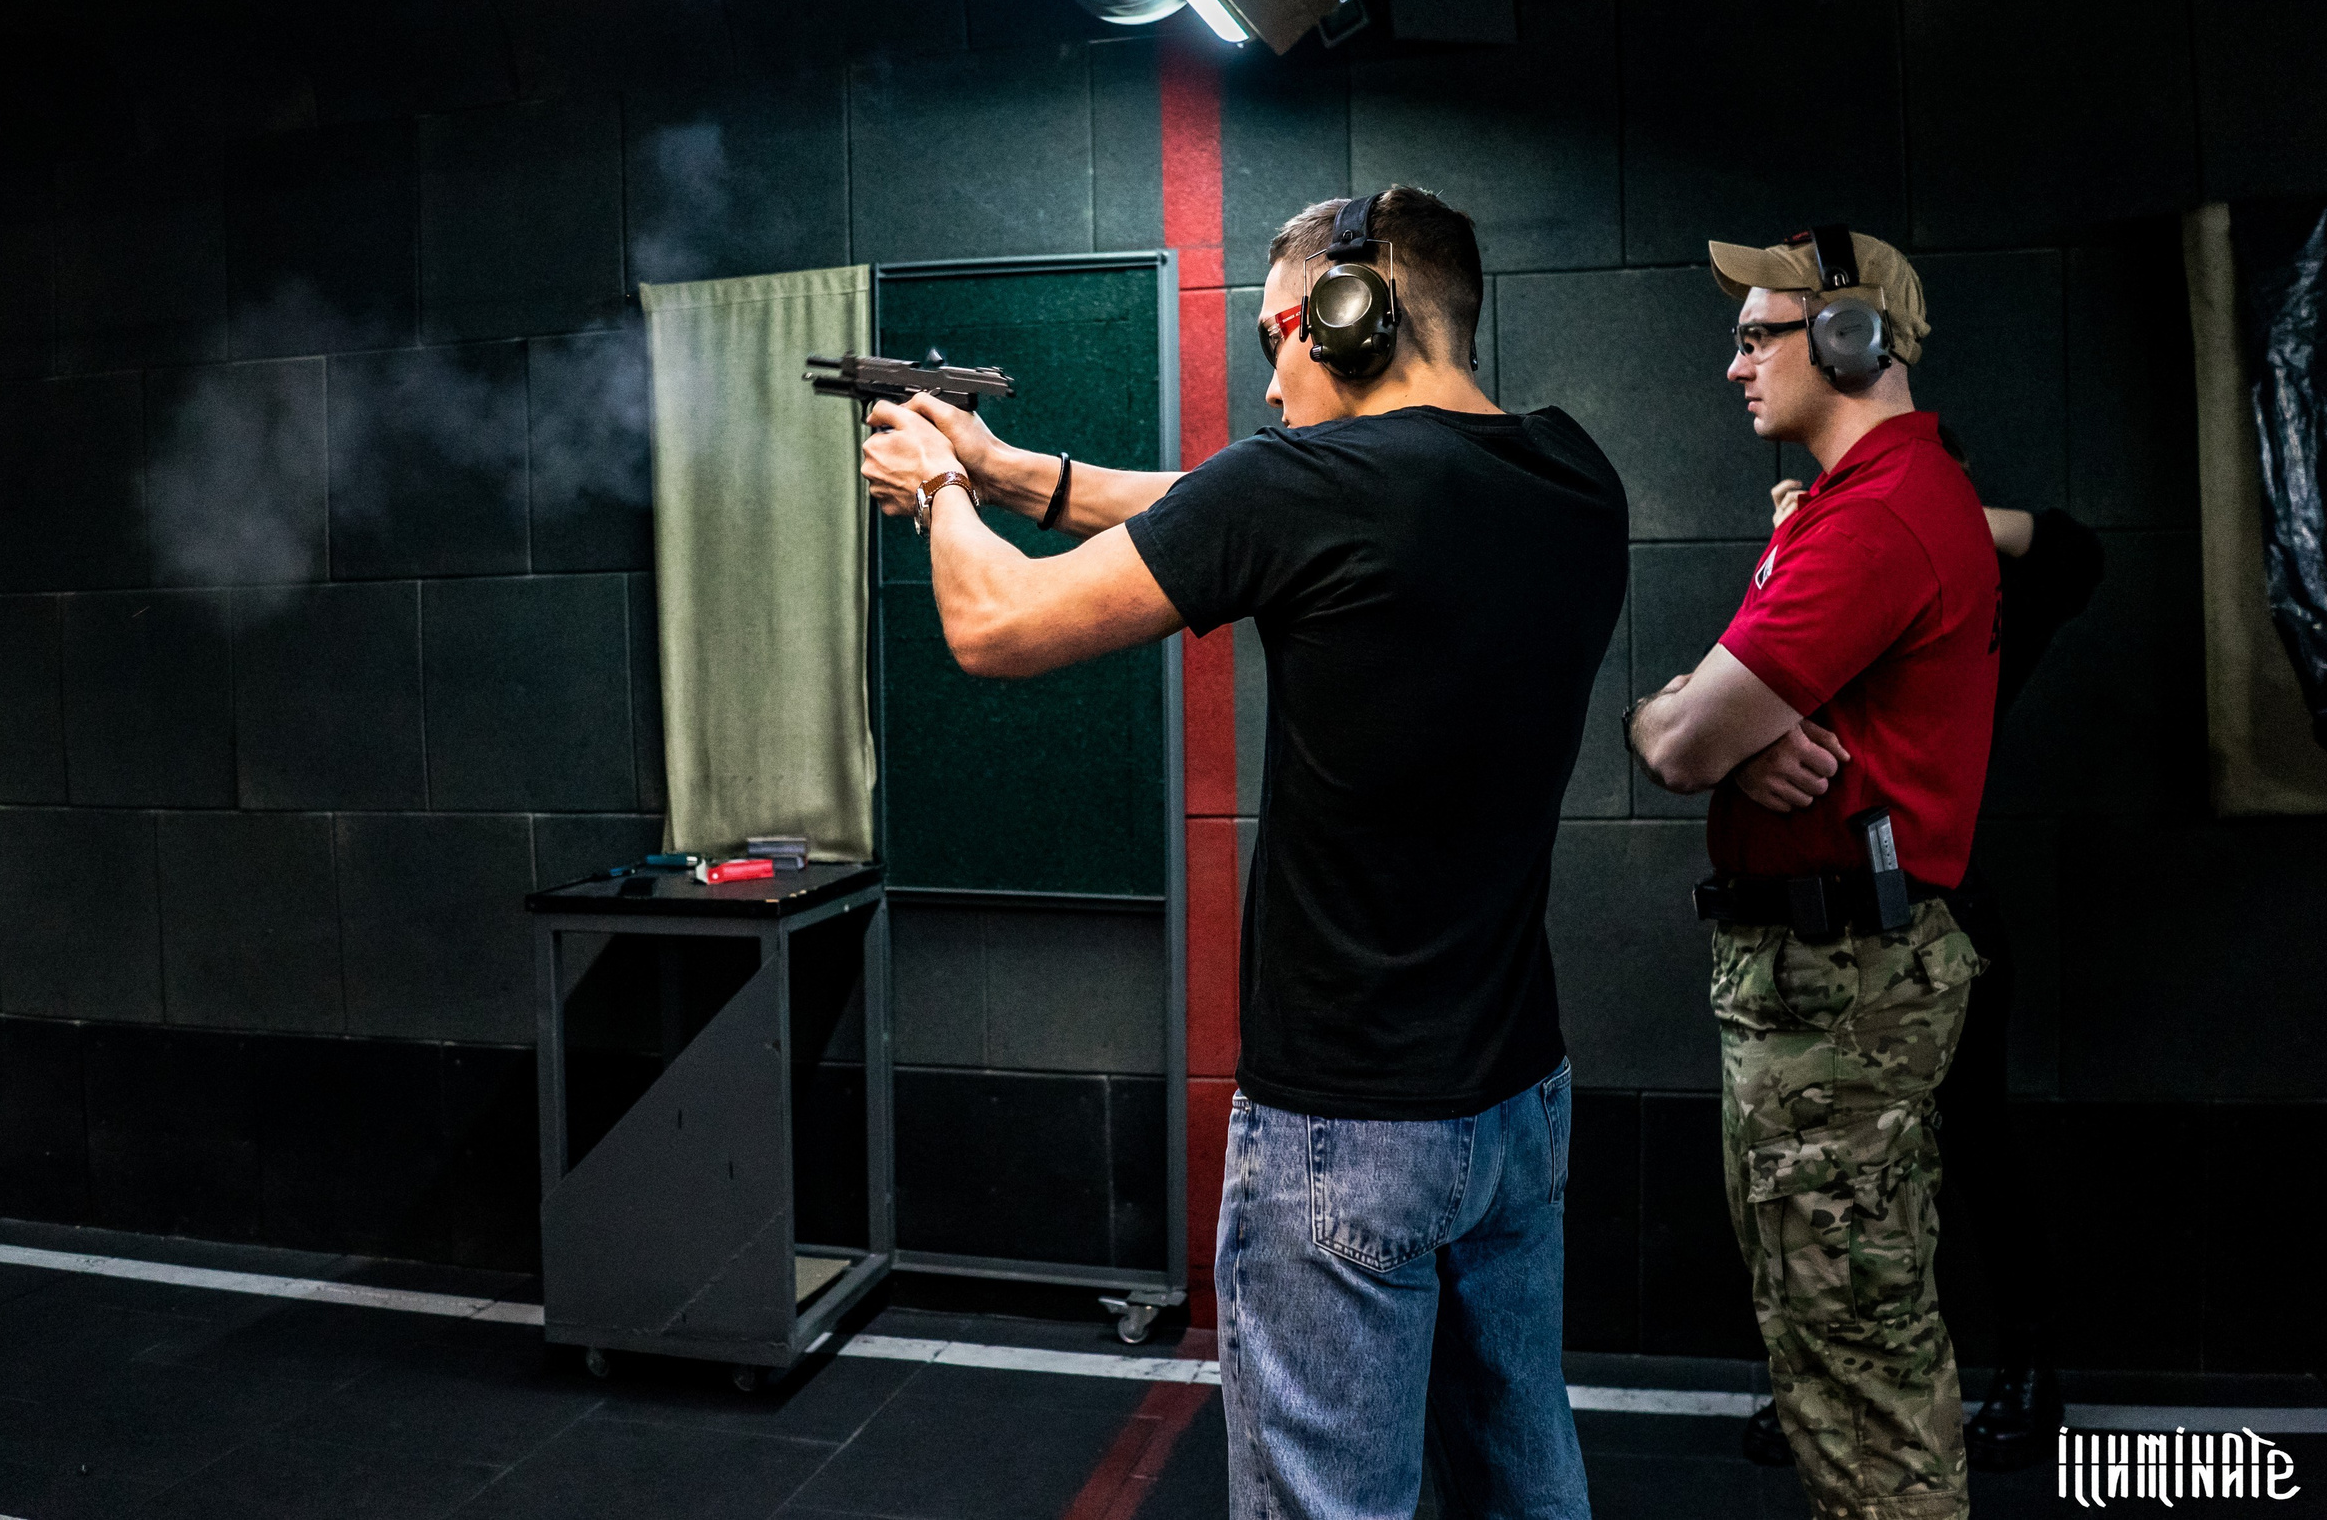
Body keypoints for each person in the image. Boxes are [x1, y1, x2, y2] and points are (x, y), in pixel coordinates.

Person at [857, 186, 1628, 1520]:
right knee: (1526, 1482)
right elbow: (1225, 515)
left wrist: (936, 493)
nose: (1270, 382)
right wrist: (1007, 470)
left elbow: (997, 625)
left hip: (1347, 1121)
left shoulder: (1303, 490)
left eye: (1278, 334)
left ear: (1352, 314)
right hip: (1515, 1102)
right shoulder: (1569, 474)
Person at [1626, 226, 1997, 1520]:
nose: (1734, 366)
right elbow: (1696, 725)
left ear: (1849, 339)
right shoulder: (1844, 506)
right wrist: (1705, 723)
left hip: (1837, 991)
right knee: (1837, 1334)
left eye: (1755, 337)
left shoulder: (1876, 518)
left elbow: (1679, 744)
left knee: (1854, 1352)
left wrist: (1690, 724)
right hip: (1823, 986)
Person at [1737, 485, 2102, 1475]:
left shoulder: (1967, 592)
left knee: (1973, 1140)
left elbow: (2072, 550)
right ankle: (1829, 1385)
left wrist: (1916, 517)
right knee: (1830, 1161)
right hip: (1824, 924)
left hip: (1940, 911)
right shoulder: (1831, 577)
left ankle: (2027, 1370)